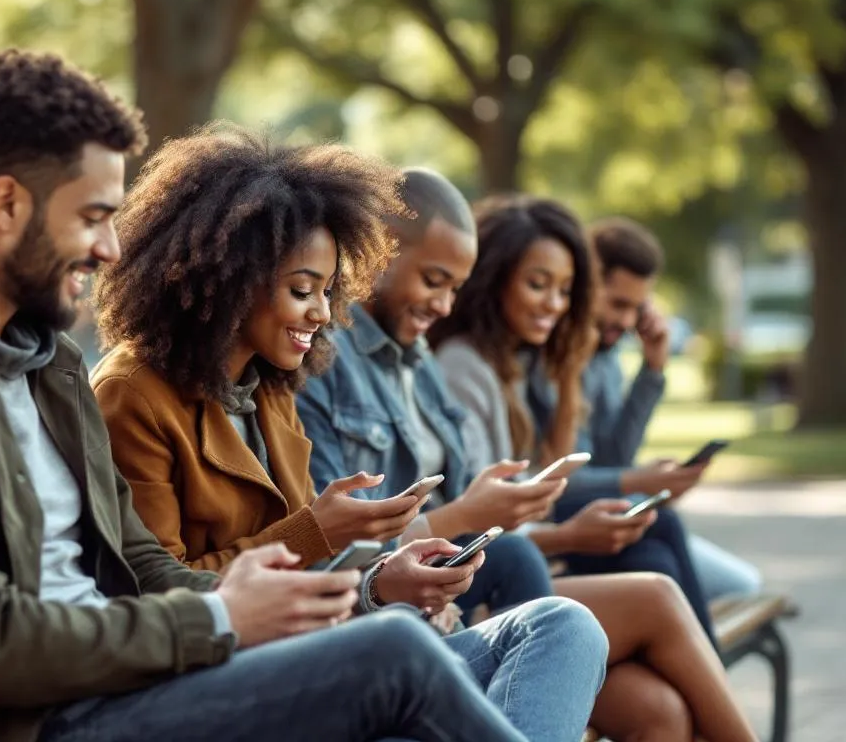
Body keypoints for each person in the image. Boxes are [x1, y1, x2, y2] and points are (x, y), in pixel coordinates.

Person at [0, 50, 555, 742]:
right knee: (395, 659)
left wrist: (348, 592)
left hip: (119, 691)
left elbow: (143, 566)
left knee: (494, 642)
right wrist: (221, 617)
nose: (112, 249)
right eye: (92, 217)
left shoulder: (40, 356)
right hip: (15, 725)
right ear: (6, 204)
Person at [90, 126, 609, 742]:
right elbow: (158, 594)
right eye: (301, 290)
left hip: (314, 652)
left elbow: (314, 577)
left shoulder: (270, 387)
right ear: (231, 276)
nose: (322, 314)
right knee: (403, 647)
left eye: (328, 292)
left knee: (563, 626)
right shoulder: (133, 394)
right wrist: (317, 531)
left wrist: (381, 582)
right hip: (228, 682)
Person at [301, 169, 760, 742]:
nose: (443, 304)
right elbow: (349, 548)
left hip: (462, 583)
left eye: (452, 287)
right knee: (650, 591)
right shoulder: (361, 361)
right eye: (434, 280)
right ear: (376, 253)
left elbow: (483, 501)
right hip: (422, 603)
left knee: (659, 705)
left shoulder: (422, 359)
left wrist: (644, 381)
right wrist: (545, 527)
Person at [428, 194, 717, 641]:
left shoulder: (517, 362)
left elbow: (593, 461)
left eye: (564, 291)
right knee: (661, 556)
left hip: (520, 546)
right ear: (496, 278)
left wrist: (636, 370)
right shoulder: (469, 365)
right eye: (538, 285)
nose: (554, 304)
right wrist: (572, 530)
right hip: (497, 565)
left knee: (658, 557)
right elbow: (505, 505)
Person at [568, 216, 763, 601]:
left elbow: (614, 457)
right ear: (587, 285)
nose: (626, 321)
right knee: (665, 555)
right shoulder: (557, 364)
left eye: (637, 308)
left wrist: (653, 370)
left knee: (740, 585)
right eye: (618, 304)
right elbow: (574, 476)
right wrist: (639, 481)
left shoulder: (605, 360)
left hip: (604, 519)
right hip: (572, 526)